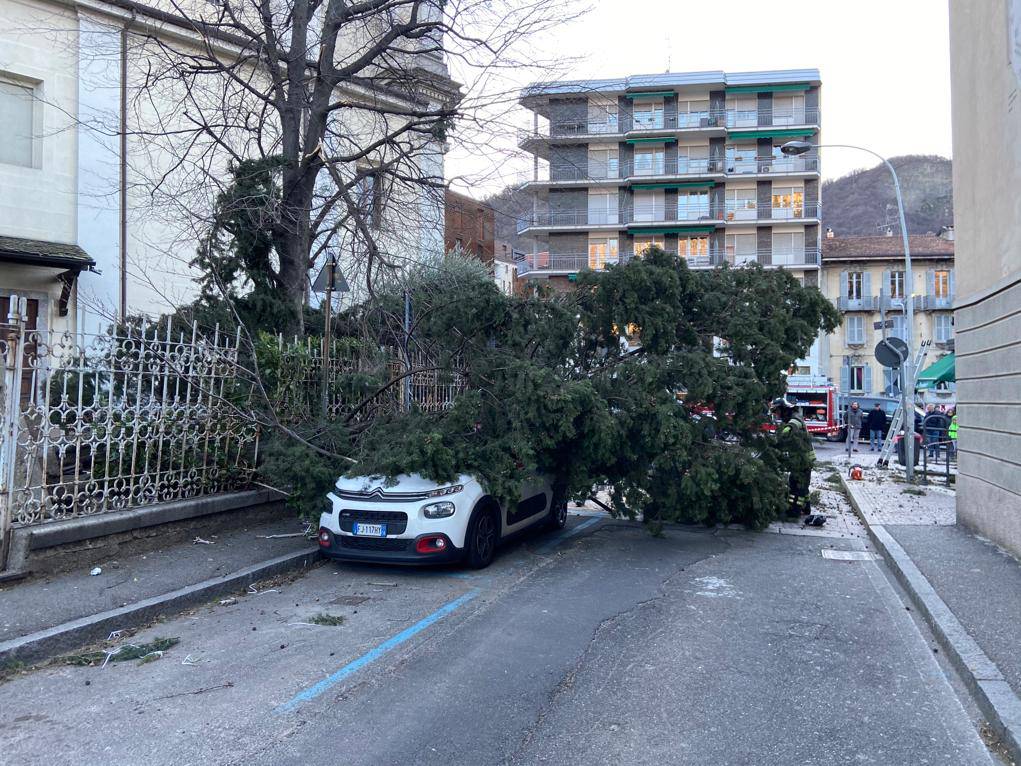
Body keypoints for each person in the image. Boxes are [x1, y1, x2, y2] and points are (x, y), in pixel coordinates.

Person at [771, 397, 814, 518]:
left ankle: (795, 510)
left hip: (802, 459)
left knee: (797, 485)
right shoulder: (791, 417)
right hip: (800, 458)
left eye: (777, 411)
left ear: (783, 409)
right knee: (802, 484)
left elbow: (790, 428)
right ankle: (806, 508)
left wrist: (777, 440)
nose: (776, 414)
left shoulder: (794, 419)